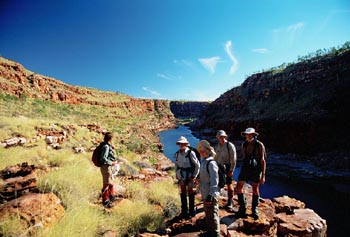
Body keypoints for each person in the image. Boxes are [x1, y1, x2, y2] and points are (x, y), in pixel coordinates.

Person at [236, 128, 266, 219]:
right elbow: (244, 157)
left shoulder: (259, 145)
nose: (248, 136)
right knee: (239, 187)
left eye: (250, 135)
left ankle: (254, 209)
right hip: (246, 167)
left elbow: (262, 160)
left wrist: (263, 175)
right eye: (246, 135)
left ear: (253, 135)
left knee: (255, 188)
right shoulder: (244, 144)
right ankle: (242, 208)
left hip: (256, 169)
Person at [197, 140, 220, 237]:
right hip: (205, 192)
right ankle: (210, 231)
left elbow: (215, 181)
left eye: (203, 151)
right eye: (200, 151)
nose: (201, 153)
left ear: (207, 151)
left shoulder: (211, 163)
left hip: (211, 194)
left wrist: (211, 195)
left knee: (213, 213)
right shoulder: (203, 162)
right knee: (208, 213)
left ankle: (216, 233)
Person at [174, 136, 200, 218]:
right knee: (183, 191)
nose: (181, 145)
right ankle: (184, 211)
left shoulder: (190, 153)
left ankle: (191, 211)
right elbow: (176, 165)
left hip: (190, 175)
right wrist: (177, 174)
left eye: (183, 144)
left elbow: (197, 165)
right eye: (180, 144)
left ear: (186, 144)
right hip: (181, 175)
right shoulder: (178, 153)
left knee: (190, 191)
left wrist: (194, 176)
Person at [214, 130, 237, 209]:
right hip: (219, 166)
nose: (221, 138)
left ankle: (230, 201)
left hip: (227, 167)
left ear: (225, 137)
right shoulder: (218, 145)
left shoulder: (229, 145)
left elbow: (233, 159)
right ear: (217, 137)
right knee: (219, 183)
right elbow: (216, 157)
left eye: (222, 137)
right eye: (219, 137)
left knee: (229, 184)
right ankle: (216, 200)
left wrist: (231, 170)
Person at [99, 132, 118, 208]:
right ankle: (105, 200)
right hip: (105, 167)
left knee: (110, 182)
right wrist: (111, 162)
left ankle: (111, 197)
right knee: (106, 183)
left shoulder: (107, 145)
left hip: (108, 166)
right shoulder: (106, 146)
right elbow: (103, 158)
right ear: (110, 138)